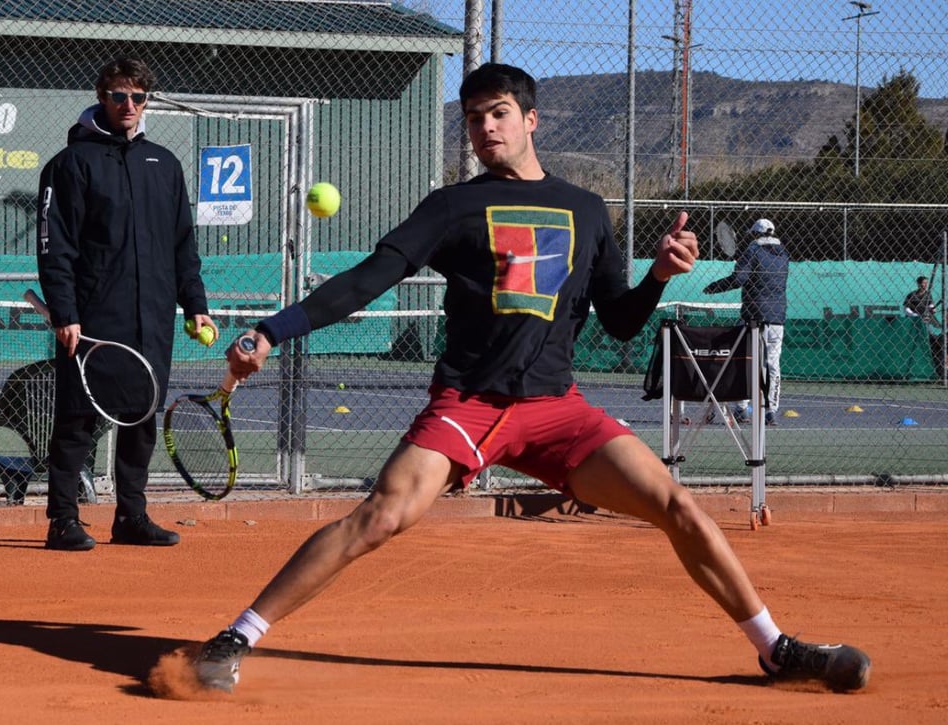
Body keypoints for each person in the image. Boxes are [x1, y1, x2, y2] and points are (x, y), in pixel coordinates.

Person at [192, 63, 869, 694]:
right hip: (468, 402)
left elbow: (623, 320)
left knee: (678, 505)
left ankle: (774, 647)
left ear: (531, 120)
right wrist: (272, 330)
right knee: (382, 516)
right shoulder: (452, 206)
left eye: (499, 114)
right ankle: (233, 637)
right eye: (474, 119)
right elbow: (371, 278)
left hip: (557, 410)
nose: (486, 129)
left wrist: (658, 275)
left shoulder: (586, 209)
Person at [36, 57, 214, 551]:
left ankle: (131, 516)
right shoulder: (70, 164)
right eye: (119, 95)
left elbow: (183, 244)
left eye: (138, 97)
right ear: (101, 96)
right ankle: (63, 520)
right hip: (93, 317)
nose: (129, 106)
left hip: (151, 316)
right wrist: (66, 312)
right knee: (77, 418)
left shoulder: (165, 163)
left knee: (142, 416)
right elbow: (56, 246)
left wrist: (194, 304)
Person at [701, 218, 789, 426]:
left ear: (754, 234)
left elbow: (740, 278)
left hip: (753, 317)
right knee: (772, 365)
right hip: (777, 318)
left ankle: (742, 409)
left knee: (745, 361)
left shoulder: (752, 250)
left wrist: (715, 286)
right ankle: (771, 412)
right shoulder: (784, 254)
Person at [904, 275, 945, 377]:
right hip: (913, 322)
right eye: (923, 283)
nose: (925, 285)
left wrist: (932, 309)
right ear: (918, 283)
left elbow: (931, 306)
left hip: (925, 322)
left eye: (927, 283)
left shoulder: (928, 295)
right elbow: (906, 308)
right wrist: (915, 315)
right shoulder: (912, 295)